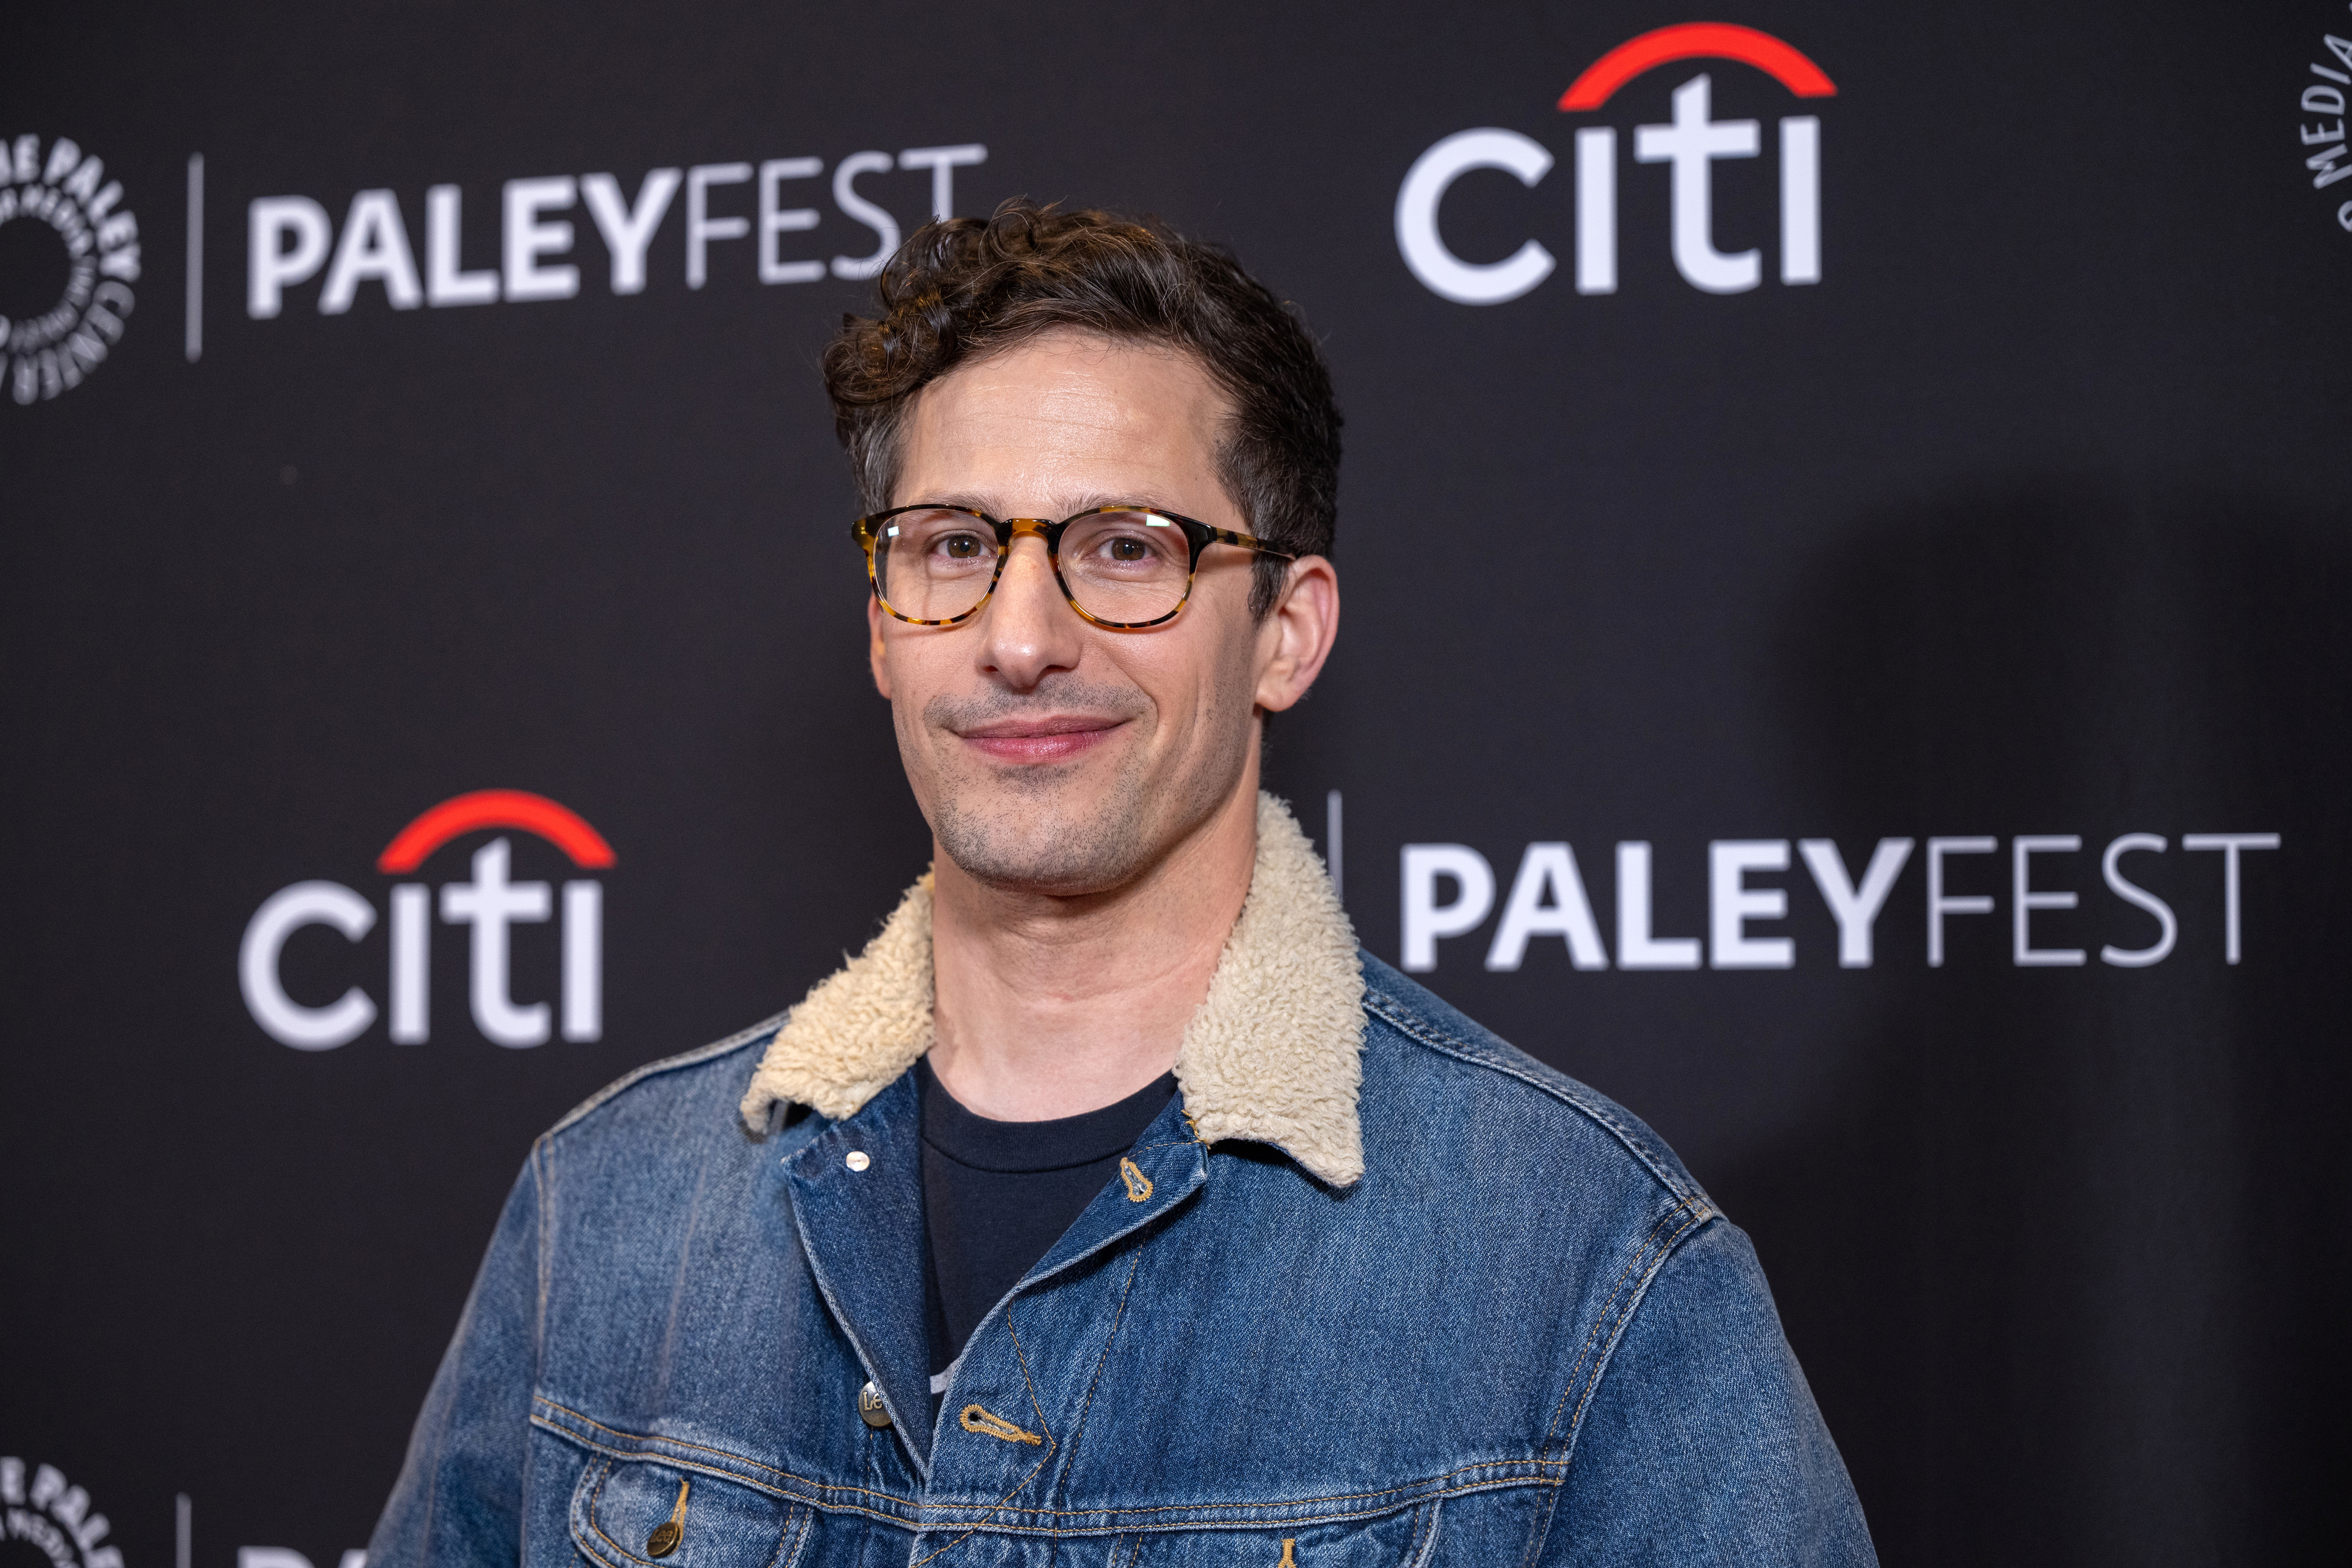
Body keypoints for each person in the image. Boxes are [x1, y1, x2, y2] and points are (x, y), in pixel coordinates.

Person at [367, 200, 1877, 1568]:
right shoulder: (608, 1209)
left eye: (1124, 548)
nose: (1020, 635)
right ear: (886, 624)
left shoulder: (1585, 1268)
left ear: (1286, 628)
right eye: (952, 545)